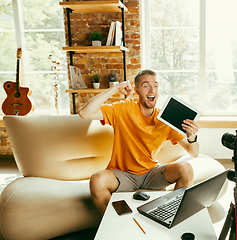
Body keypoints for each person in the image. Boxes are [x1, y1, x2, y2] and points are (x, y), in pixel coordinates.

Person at [79, 69, 200, 215]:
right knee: (97, 180)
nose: (152, 90)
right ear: (136, 90)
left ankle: (171, 215)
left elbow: (194, 152)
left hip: (151, 174)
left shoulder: (165, 119)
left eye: (155, 86)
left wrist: (192, 137)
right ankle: (115, 227)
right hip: (123, 175)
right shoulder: (123, 108)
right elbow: (84, 113)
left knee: (186, 169)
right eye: (145, 85)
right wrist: (115, 88)